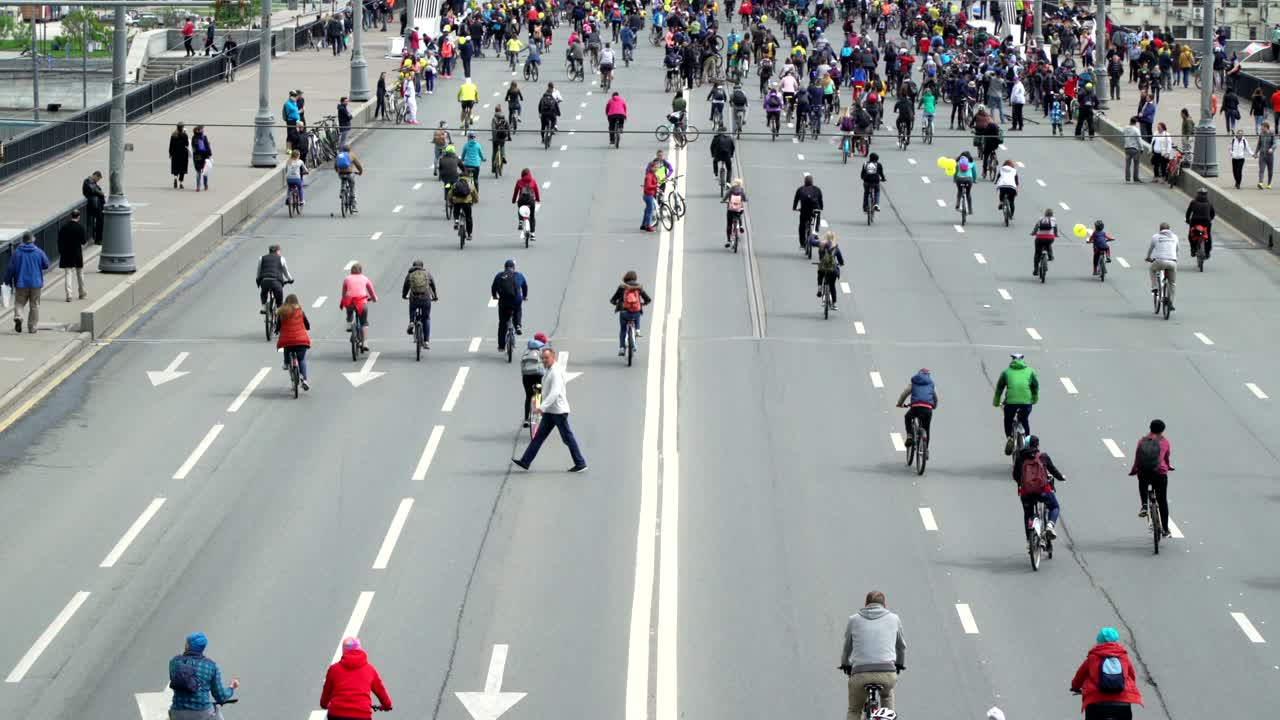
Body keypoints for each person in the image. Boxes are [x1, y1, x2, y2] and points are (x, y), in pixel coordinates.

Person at [512, 347, 588, 472]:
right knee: (538, 437)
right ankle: (525, 462)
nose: (544, 360)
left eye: (547, 358)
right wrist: (539, 392)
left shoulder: (556, 372)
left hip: (558, 412)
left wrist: (542, 407)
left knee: (567, 438)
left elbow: (555, 393)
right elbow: (547, 389)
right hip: (550, 411)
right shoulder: (549, 370)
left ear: (553, 358)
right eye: (543, 358)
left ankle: (580, 463)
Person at [839, 591, 905, 720]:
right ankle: (888, 716)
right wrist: (899, 664)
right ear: (884, 605)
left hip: (860, 674)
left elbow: (847, 648)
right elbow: (901, 647)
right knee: (887, 694)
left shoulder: (854, 620)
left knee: (854, 710)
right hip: (886, 673)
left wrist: (845, 664)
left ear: (866, 604)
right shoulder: (894, 619)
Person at [1070, 628, 1144, 720]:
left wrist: (1075, 687)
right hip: (1122, 704)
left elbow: (1079, 676)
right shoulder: (1123, 656)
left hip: (1096, 703)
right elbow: (1132, 676)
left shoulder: (1092, 657)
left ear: (1099, 642)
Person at [168, 632, 238, 719]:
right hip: (202, 713)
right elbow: (221, 697)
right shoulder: (211, 666)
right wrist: (231, 687)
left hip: (177, 713)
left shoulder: (174, 662)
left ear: (187, 646)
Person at [320, 637, 393, 719]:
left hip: (337, 714)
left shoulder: (334, 669)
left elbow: (326, 694)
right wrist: (386, 706)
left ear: (343, 651)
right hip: (362, 715)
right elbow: (381, 692)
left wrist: (324, 704)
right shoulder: (370, 670)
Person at [1012, 435, 1066, 543]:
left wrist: (1021, 483)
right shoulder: (1043, 456)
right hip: (1042, 491)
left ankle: (1029, 541)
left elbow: (1015, 475)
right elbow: (1054, 471)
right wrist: (1061, 477)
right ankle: (1050, 526)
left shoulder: (1020, 458)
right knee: (1054, 506)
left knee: (1028, 514)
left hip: (1026, 492)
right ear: (1037, 445)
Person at [992, 353, 1039, 454]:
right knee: (1024, 419)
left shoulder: (1006, 372)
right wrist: (1034, 398)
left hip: (1011, 403)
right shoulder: (1030, 371)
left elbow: (999, 388)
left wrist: (996, 401)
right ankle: (1028, 443)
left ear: (1012, 360)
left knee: (1008, 419)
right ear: (1023, 360)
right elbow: (1035, 386)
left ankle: (1009, 438)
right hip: (1026, 403)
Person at [4, 232, 49, 334]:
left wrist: (7, 281)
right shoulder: (38, 252)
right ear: (32, 239)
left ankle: (18, 317)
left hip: (21, 283)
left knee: (19, 303)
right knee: (34, 305)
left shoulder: (17, 253)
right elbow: (46, 264)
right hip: (35, 284)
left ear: (22, 240)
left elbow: (10, 269)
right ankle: (32, 327)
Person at [609, 270, 652, 355]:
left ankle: (622, 348)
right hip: (635, 312)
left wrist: (616, 303)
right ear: (635, 278)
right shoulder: (639, 287)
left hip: (624, 312)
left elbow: (613, 299)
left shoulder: (622, 287)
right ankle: (637, 330)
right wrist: (644, 303)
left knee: (623, 330)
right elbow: (647, 299)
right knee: (637, 314)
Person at [276, 293, 312, 391]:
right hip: (301, 341)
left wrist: (277, 330)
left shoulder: (282, 312)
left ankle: (286, 363)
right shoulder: (300, 311)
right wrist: (308, 327)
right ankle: (304, 379)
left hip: (288, 341)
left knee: (287, 347)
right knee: (302, 359)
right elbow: (307, 323)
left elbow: (278, 325)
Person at [491, 259, 528, 352]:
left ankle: (501, 346)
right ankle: (518, 325)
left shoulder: (499, 275)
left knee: (502, 324)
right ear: (514, 268)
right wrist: (524, 296)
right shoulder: (519, 275)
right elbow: (525, 286)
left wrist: (494, 296)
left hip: (504, 302)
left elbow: (493, 287)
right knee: (518, 310)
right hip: (516, 301)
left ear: (505, 268)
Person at [339, 263, 377, 352]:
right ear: (361, 271)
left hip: (351, 302)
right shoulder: (365, 278)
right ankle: (365, 343)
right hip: (361, 302)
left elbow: (343, 293)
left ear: (351, 270)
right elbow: (371, 291)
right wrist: (374, 299)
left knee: (349, 310)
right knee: (364, 322)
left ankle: (349, 324)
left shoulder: (347, 279)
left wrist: (344, 298)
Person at [895, 369, 937, 446]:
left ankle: (909, 436)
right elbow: (935, 398)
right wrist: (934, 406)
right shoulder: (931, 384)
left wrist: (900, 404)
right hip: (928, 409)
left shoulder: (914, 382)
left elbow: (905, 394)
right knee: (926, 428)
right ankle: (926, 449)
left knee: (907, 417)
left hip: (916, 408)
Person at [401, 259, 438, 344]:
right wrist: (435, 296)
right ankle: (426, 341)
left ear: (413, 266)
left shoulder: (410, 274)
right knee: (426, 318)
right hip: (426, 298)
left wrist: (404, 295)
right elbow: (433, 285)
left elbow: (405, 286)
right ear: (422, 266)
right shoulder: (427, 274)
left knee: (412, 308)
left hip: (414, 298)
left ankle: (411, 322)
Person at [57, 209, 87, 302]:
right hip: (77, 253)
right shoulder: (80, 227)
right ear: (79, 217)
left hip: (66, 253)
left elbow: (59, 241)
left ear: (71, 216)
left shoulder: (64, 227)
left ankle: (69, 294)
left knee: (68, 274)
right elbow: (83, 241)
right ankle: (81, 292)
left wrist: (61, 251)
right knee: (80, 273)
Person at [521, 332, 550, 427]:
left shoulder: (527, 350)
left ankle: (526, 419)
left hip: (526, 376)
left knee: (528, 396)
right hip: (538, 375)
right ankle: (538, 416)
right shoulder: (543, 350)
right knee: (538, 394)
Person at [256, 244, 293, 314]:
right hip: (276, 281)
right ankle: (278, 310)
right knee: (279, 297)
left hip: (264, 280)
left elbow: (258, 271)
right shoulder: (281, 258)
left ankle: (264, 307)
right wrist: (291, 279)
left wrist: (258, 279)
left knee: (263, 292)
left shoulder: (262, 258)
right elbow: (286, 272)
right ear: (277, 251)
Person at [814, 231, 845, 309]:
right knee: (832, 285)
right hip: (832, 269)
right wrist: (841, 264)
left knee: (820, 273)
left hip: (823, 267)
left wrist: (813, 236)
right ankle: (833, 304)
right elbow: (841, 260)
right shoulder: (835, 248)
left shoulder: (821, 244)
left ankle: (820, 288)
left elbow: (811, 241)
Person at [792, 174, 824, 250]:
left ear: (804, 182)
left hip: (804, 211)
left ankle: (802, 244)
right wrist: (821, 208)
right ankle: (815, 234)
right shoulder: (817, 189)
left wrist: (794, 208)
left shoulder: (800, 189)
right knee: (817, 220)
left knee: (802, 226)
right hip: (815, 209)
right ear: (812, 182)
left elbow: (796, 200)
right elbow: (820, 201)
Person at [1184, 188, 1215, 259]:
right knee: (1208, 236)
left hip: (1195, 221)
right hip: (1206, 222)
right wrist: (1210, 219)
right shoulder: (1209, 203)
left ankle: (1193, 249)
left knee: (1191, 235)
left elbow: (1188, 212)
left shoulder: (1193, 202)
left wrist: (1187, 220)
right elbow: (1213, 214)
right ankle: (1207, 252)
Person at [450, 170, 479, 240]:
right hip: (467, 203)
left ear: (460, 177)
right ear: (467, 176)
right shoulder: (470, 183)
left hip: (457, 202)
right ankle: (469, 234)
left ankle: (456, 221)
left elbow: (450, 194)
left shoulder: (456, 183)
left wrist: (451, 201)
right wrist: (475, 201)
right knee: (468, 217)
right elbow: (474, 193)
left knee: (456, 211)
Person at [335, 144, 364, 212]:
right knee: (352, 186)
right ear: (350, 149)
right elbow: (358, 165)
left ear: (343, 149)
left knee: (343, 180)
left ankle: (342, 191)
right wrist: (360, 172)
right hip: (349, 173)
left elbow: (335, 165)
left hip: (341, 173)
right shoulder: (352, 155)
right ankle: (353, 205)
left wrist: (338, 171)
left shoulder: (339, 155)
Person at [1030, 208, 1059, 275]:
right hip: (1049, 238)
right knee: (1048, 244)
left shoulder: (1041, 219)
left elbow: (1036, 227)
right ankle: (1050, 256)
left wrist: (1033, 233)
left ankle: (1036, 269)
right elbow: (1055, 228)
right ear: (1052, 214)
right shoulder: (1053, 219)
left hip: (1039, 238)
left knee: (1037, 253)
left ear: (1045, 214)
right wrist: (1056, 234)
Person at [82, 170, 105, 244]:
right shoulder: (88, 181)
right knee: (99, 221)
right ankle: (98, 239)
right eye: (98, 178)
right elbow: (94, 190)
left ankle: (98, 238)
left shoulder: (92, 182)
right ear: (95, 175)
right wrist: (101, 193)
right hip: (94, 205)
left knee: (100, 222)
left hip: (96, 204)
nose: (98, 180)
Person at [724, 178, 747, 247]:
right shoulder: (741, 190)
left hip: (731, 209)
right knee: (739, 215)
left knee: (729, 224)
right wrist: (745, 200)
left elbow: (726, 196)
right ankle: (740, 226)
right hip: (739, 209)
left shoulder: (731, 189)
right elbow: (744, 198)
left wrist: (723, 200)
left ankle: (728, 240)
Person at [191, 126, 212, 192]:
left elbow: (193, 147)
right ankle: (205, 185)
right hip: (204, 156)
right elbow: (207, 147)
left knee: (198, 172)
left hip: (197, 157)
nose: (203, 130)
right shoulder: (204, 137)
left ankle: (198, 187)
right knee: (205, 171)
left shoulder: (194, 138)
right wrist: (209, 154)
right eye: (202, 129)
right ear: (199, 130)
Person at [170, 122, 190, 189]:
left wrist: (170, 153)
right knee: (182, 169)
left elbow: (171, 145)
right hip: (183, 154)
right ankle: (181, 183)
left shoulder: (173, 134)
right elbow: (187, 144)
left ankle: (175, 177)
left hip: (175, 153)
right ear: (182, 127)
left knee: (176, 167)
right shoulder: (184, 135)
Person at [1123, 116, 1143, 182]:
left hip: (1127, 148)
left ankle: (1127, 178)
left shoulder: (1125, 128)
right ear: (1135, 122)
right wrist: (1142, 148)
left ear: (1130, 121)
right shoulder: (1136, 130)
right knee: (1136, 164)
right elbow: (1139, 140)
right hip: (1134, 149)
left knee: (1127, 164)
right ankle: (1135, 178)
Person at [641, 160, 659, 232]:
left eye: (657, 167)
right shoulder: (649, 176)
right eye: (655, 167)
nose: (656, 168)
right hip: (648, 196)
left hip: (648, 195)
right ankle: (648, 226)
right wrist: (656, 186)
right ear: (651, 168)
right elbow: (649, 186)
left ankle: (643, 225)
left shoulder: (653, 175)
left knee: (647, 210)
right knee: (650, 211)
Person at [1258, 121, 1276, 189]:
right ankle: (1260, 182)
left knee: (1270, 171)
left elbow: (1275, 143)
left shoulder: (1272, 134)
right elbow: (1259, 144)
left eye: (1262, 128)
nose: (1261, 129)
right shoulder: (1261, 134)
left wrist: (1271, 148)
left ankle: (1269, 184)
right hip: (1262, 155)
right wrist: (1256, 153)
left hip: (1270, 155)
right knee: (1261, 169)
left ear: (1266, 127)